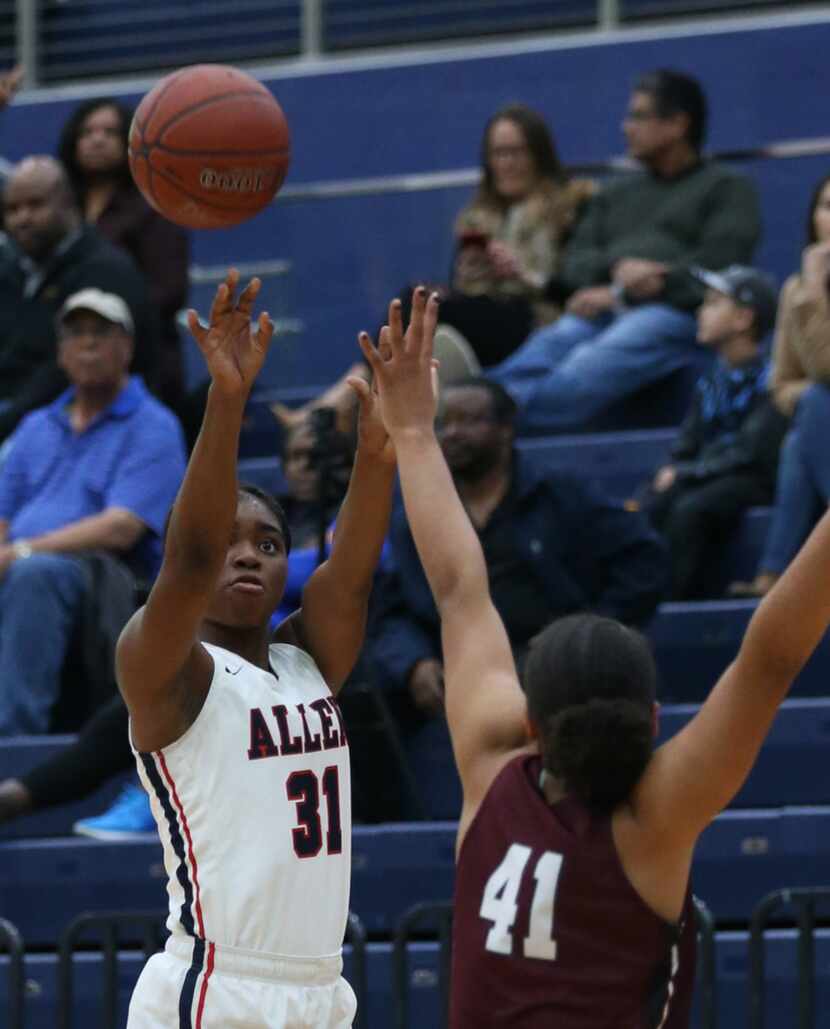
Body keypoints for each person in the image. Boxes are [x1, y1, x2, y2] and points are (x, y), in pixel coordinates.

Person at [358, 293, 830, 1026]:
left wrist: (414, 431)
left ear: (530, 725)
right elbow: (769, 655)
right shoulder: (653, 816)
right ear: (650, 718)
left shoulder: (490, 766)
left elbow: (457, 588)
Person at [119, 270, 424, 1027]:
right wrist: (227, 399)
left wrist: (379, 452)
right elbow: (187, 561)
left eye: (267, 542)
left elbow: (350, 577)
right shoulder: (167, 667)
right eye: (230, 541)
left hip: (321, 988)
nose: (248, 554)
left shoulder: (305, 659)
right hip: (216, 986)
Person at [272, 103, 592, 434]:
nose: (507, 163)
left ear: (538, 155)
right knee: (420, 298)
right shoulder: (477, 216)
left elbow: (579, 283)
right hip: (486, 314)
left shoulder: (569, 204)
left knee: (419, 305)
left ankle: (343, 399)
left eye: (516, 152)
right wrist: (468, 273)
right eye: (498, 153)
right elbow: (465, 288)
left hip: (538, 317)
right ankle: (354, 400)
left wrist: (522, 272)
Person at [370, 376, 667, 722]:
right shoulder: (415, 510)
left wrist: (587, 636)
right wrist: (413, 663)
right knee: (363, 695)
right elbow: (390, 607)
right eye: (444, 422)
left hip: (550, 659)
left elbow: (645, 561)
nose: (452, 432)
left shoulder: (560, 494)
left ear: (506, 429)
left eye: (469, 420)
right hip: (451, 663)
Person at [488, 69, 762, 434]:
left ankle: (481, 421)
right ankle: (475, 399)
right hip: (601, 309)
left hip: (676, 316)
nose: (625, 127)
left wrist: (647, 284)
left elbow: (720, 268)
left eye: (638, 115)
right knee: (549, 345)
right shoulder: (613, 193)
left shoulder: (728, 189)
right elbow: (576, 263)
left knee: (590, 362)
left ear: (678, 124)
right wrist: (620, 278)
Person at [0, 288, 185, 735]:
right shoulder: (35, 426)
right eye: (76, 334)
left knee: (37, 575)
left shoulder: (153, 425)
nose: (87, 344)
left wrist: (21, 551)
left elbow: (121, 527)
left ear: (128, 348)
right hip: (19, 562)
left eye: (101, 333)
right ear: (61, 353)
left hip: (107, 578)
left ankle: (12, 743)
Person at [642, 266, 788, 599]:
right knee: (648, 502)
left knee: (691, 510)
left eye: (714, 302)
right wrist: (675, 467)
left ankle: (671, 603)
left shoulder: (770, 379)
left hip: (752, 479)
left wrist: (685, 472)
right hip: (707, 474)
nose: (700, 311)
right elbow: (688, 440)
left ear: (743, 319)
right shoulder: (710, 382)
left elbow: (749, 451)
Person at [0, 156, 160, 441]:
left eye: (35, 205)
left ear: (68, 203)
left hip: (80, 426)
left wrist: (7, 425)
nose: (23, 219)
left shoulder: (106, 270)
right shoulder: (12, 269)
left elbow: (67, 376)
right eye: (12, 209)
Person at [730, 173, 830, 597]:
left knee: (815, 406)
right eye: (825, 206)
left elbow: (826, 367)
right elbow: (782, 382)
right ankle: (772, 574)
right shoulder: (794, 289)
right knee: (812, 409)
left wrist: (814, 293)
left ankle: (774, 573)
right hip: (821, 426)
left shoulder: (803, 291)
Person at [57, 98, 190, 407]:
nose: (97, 139)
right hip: (63, 362)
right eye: (87, 132)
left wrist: (105, 325)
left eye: (109, 132)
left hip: (142, 363)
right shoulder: (59, 210)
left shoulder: (154, 207)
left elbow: (169, 291)